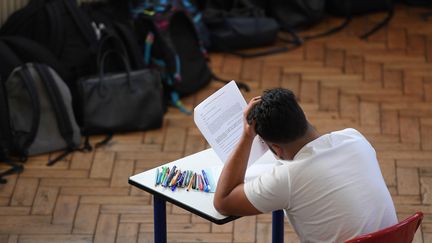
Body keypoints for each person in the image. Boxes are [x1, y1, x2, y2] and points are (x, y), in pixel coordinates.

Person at [213, 88, 397, 243]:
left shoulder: (289, 177)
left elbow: (223, 201)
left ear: (276, 149)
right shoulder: (354, 137)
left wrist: (247, 136)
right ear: (302, 115)